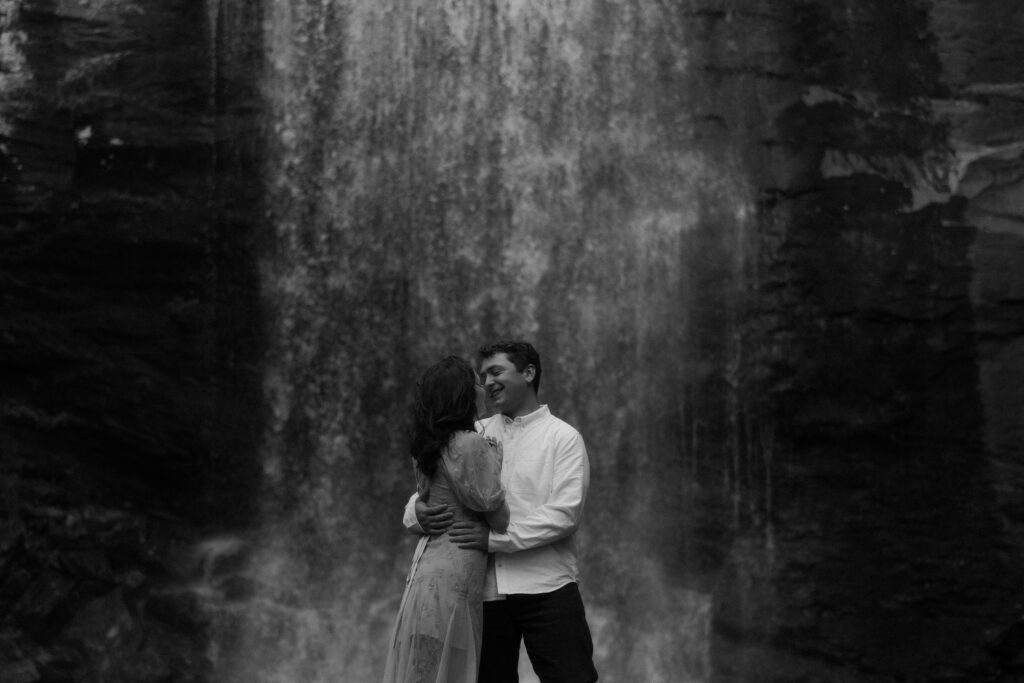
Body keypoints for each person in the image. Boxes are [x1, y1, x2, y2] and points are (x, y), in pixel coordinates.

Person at [404, 341, 599, 683]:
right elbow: (433, 488)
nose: (487, 382)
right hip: (485, 591)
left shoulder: (563, 437)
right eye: (482, 376)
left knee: (574, 679)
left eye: (496, 372)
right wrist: (416, 512)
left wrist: (494, 539)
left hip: (548, 585)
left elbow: (565, 515)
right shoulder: (473, 433)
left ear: (528, 372)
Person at [382, 356, 510, 683]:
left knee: (425, 670)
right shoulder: (471, 444)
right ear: (462, 395)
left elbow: (430, 497)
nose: (483, 389)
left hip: (427, 570)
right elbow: (500, 519)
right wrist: (494, 459)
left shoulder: (427, 445)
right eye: (476, 385)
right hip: (455, 577)